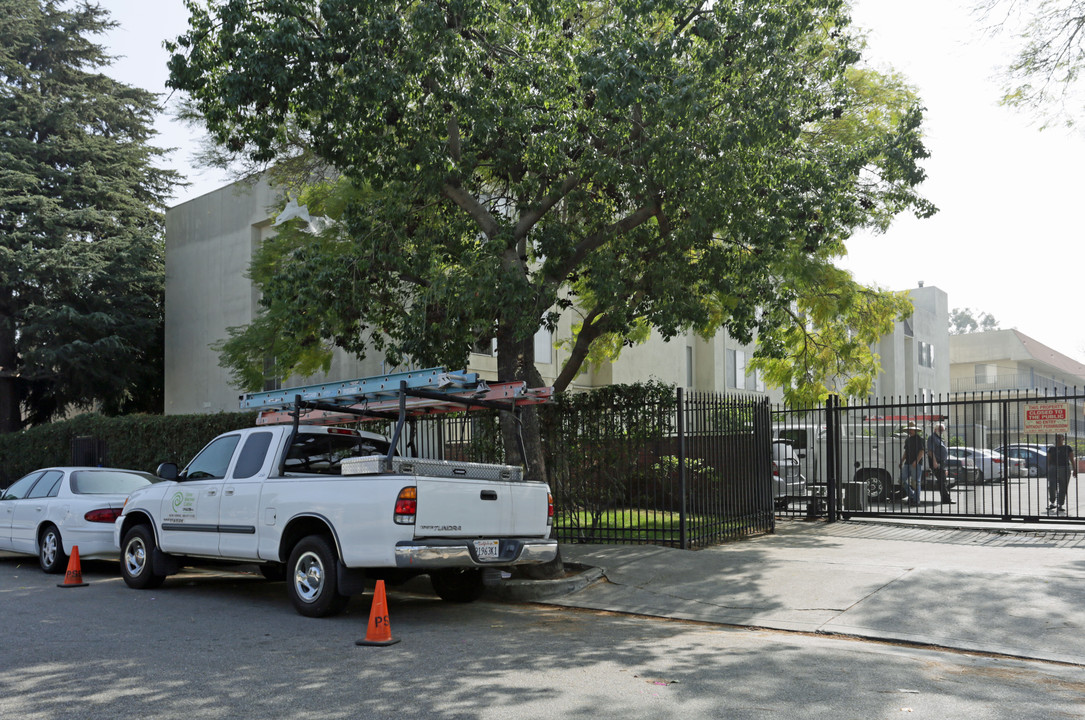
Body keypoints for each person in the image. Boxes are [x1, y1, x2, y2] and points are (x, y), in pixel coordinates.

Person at [1045, 433, 1077, 515]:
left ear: (1063, 439)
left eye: (1060, 437)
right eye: (1057, 437)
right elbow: (1048, 460)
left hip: (1064, 468)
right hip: (1053, 468)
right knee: (1052, 486)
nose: (1058, 439)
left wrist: (1074, 469)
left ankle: (1060, 504)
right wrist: (1048, 470)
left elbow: (1071, 459)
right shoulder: (1051, 449)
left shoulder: (1067, 448)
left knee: (1063, 487)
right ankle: (1052, 503)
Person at [926, 423, 955, 505]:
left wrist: (944, 468)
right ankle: (946, 499)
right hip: (937, 463)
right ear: (935, 429)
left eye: (943, 430)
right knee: (942, 481)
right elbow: (931, 451)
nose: (942, 431)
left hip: (941, 463)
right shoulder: (932, 438)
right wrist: (934, 462)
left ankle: (945, 499)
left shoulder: (938, 438)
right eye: (940, 430)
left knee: (943, 481)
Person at [899, 422, 925, 506]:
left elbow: (922, 451)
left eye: (911, 429)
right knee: (901, 480)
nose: (910, 431)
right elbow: (906, 452)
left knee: (915, 482)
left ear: (915, 430)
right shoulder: (908, 440)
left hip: (916, 463)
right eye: (909, 429)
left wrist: (916, 461)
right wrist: (902, 461)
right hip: (907, 463)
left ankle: (916, 500)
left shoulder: (919, 439)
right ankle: (912, 496)